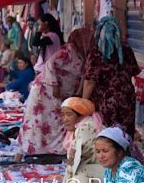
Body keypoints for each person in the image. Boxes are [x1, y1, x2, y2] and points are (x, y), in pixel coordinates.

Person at [18, 28, 95, 156]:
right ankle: (31, 150)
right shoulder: (69, 50)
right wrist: (54, 85)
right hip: (46, 91)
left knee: (56, 121)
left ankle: (54, 150)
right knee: (38, 121)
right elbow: (50, 64)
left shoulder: (84, 54)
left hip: (61, 95)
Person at [83, 16, 140, 137]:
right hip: (126, 98)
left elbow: (89, 81)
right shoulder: (126, 49)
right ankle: (126, 154)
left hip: (105, 101)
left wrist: (83, 103)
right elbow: (135, 71)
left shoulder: (96, 53)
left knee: (108, 135)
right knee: (125, 134)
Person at [61, 97, 104, 183]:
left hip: (107, 173)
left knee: (79, 170)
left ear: (80, 114)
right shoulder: (81, 126)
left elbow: (78, 158)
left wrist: (71, 163)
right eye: (63, 115)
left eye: (69, 114)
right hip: (99, 171)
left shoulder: (86, 127)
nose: (65, 119)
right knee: (74, 169)